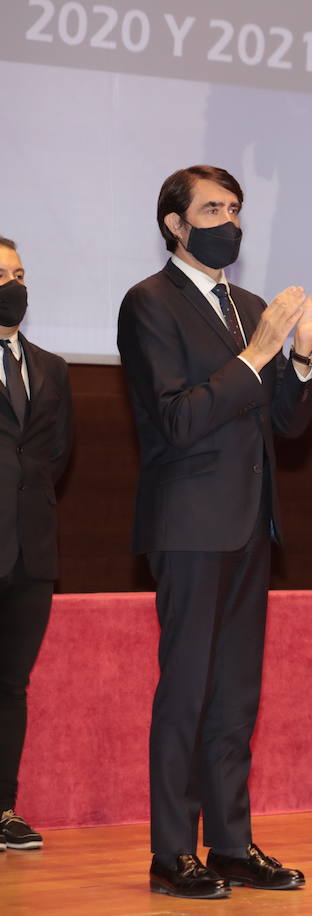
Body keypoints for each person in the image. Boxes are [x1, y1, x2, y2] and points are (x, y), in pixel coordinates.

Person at [116, 165, 312, 899]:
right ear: (175, 225)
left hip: (251, 524)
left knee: (235, 694)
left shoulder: (253, 306)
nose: (230, 220)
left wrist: (302, 350)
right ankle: (171, 852)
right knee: (186, 690)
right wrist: (256, 355)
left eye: (236, 208)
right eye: (213, 208)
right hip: (187, 523)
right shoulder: (148, 304)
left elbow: (288, 422)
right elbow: (178, 418)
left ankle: (232, 844)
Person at [0, 237, 72, 853]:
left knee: (9, 685)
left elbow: (54, 454)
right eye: (0, 275)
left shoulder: (52, 366)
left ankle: (2, 808)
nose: (13, 285)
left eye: (19, 274)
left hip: (30, 552)